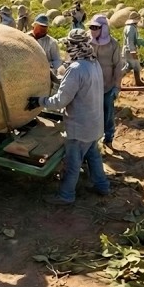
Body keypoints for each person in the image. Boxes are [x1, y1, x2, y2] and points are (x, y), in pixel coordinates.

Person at [37, 29, 109, 205]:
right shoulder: (93, 63)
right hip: (95, 124)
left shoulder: (75, 69)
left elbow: (60, 101)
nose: (66, 49)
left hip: (79, 127)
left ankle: (66, 196)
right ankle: (103, 186)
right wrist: (55, 78)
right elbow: (76, 85)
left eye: (68, 45)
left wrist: (39, 101)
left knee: (72, 164)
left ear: (73, 46)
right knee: (93, 156)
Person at [89, 14, 125, 150]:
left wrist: (117, 86)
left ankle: (108, 139)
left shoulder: (113, 44)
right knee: (91, 113)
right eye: (91, 27)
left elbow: (117, 66)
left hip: (107, 86)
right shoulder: (88, 41)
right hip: (90, 86)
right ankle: (92, 142)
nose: (93, 30)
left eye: (96, 28)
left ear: (104, 29)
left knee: (108, 114)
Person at [122, 12, 144, 86]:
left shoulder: (130, 27)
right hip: (129, 50)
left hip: (128, 50)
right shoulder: (131, 28)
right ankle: (116, 78)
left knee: (131, 66)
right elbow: (130, 41)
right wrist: (133, 52)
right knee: (134, 66)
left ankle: (137, 81)